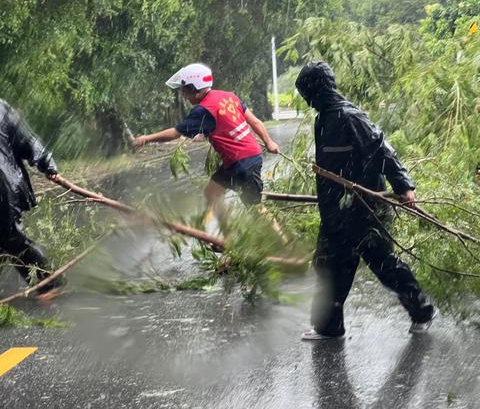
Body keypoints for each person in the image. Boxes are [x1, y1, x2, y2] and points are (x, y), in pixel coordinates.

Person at [295, 61, 436, 340]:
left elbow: (383, 151)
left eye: (307, 93)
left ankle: (423, 310)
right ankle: (329, 327)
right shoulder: (323, 117)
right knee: (328, 264)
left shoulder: (349, 116)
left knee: (383, 263)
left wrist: (404, 186)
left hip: (365, 207)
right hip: (336, 209)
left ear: (318, 89)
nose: (306, 100)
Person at [133, 63, 279, 214]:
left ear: (193, 88)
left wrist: (146, 138)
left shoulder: (203, 109)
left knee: (257, 209)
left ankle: (284, 239)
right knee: (211, 193)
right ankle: (227, 235)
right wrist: (269, 142)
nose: (184, 96)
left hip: (242, 164)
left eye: (185, 92)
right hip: (240, 160)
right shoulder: (228, 96)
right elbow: (252, 122)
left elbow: (175, 133)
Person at [0, 99, 63, 299]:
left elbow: (25, 138)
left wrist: (46, 163)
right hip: (7, 186)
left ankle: (50, 285)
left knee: (11, 240)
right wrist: (46, 163)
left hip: (3, 189)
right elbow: (26, 138)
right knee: (8, 242)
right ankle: (48, 285)